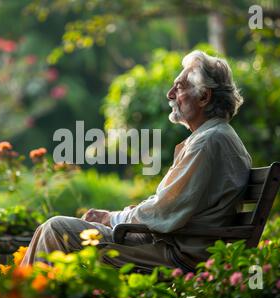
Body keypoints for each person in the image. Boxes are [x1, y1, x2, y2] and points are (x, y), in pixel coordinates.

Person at [21, 50, 252, 272]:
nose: (170, 94)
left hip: (175, 255)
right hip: (174, 247)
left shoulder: (208, 142)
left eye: (179, 87)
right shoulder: (216, 137)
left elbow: (162, 211)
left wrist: (111, 218)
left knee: (56, 228)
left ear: (204, 96)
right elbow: (168, 207)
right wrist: (115, 217)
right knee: (51, 228)